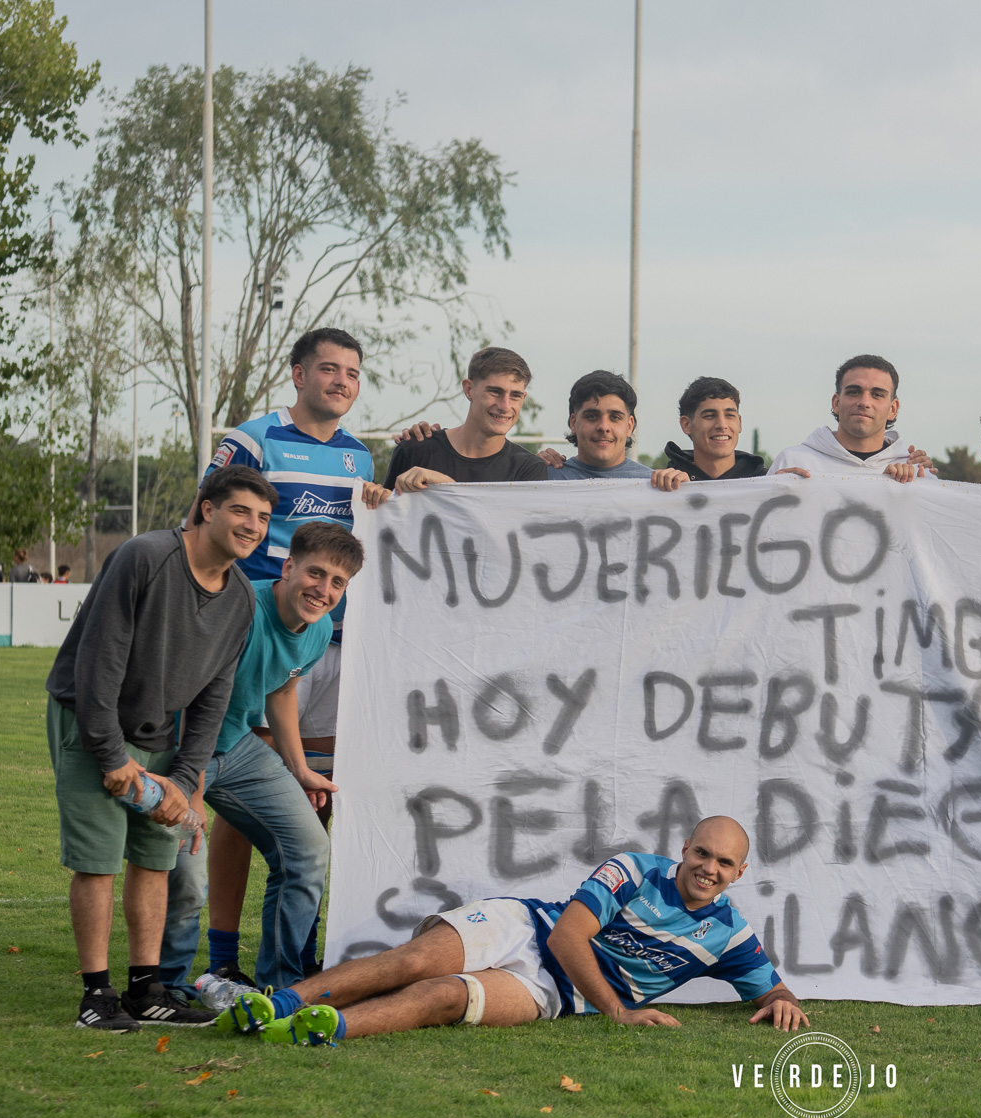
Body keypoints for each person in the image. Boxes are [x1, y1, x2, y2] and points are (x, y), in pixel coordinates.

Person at [221, 817, 809, 1044]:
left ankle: (321, 1028)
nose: (709, 868)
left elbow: (770, 988)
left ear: (739, 873)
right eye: (702, 853)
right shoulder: (634, 867)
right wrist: (620, 1012)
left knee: (445, 996)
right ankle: (278, 1002)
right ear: (684, 849)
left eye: (724, 863)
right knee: (413, 962)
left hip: (556, 994)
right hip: (529, 927)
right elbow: (565, 939)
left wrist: (782, 1003)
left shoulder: (729, 933)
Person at [45, 465, 274, 1032]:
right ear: (206, 510)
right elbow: (99, 663)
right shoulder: (144, 557)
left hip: (159, 739)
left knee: (154, 857)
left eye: (264, 519)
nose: (252, 526)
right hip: (91, 720)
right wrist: (111, 757)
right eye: (241, 511)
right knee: (99, 861)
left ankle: (147, 990)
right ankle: (95, 996)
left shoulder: (242, 598)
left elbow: (214, 697)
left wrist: (187, 777)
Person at [202, 327, 391, 974]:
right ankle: (222, 956)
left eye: (352, 373)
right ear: (298, 373)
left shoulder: (358, 458)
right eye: (329, 369)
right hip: (256, 641)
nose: (341, 381)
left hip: (332, 646)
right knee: (238, 798)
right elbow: (206, 518)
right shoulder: (254, 438)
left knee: (316, 793)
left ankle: (293, 953)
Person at [160, 522, 364, 996]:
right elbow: (193, 699)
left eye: (338, 583)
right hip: (176, 747)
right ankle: (166, 989)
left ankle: (285, 984)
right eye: (316, 574)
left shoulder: (316, 630)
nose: (324, 590)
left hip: (238, 745)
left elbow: (284, 688)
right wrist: (190, 783)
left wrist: (298, 768)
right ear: (288, 566)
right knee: (186, 869)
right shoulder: (241, 609)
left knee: (309, 850)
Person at [383, 347, 550, 493]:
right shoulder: (415, 450)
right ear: (469, 389)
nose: (505, 406)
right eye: (495, 392)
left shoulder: (529, 470)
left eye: (515, 395)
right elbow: (387, 521)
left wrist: (445, 485)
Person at [767, 354, 930, 483]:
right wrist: (777, 492)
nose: (864, 402)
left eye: (877, 395)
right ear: (836, 403)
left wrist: (917, 491)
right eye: (854, 392)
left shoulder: (915, 471)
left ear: (893, 409)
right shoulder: (794, 461)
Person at [542, 370, 657, 481]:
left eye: (615, 417)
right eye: (592, 416)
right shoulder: (542, 478)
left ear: (630, 426)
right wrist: (527, 466)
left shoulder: (655, 486)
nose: (604, 427)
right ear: (573, 423)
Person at [662, 376, 775, 482]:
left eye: (730, 415)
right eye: (710, 416)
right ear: (686, 425)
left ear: (739, 423)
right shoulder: (664, 486)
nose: (722, 425)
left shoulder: (769, 483)